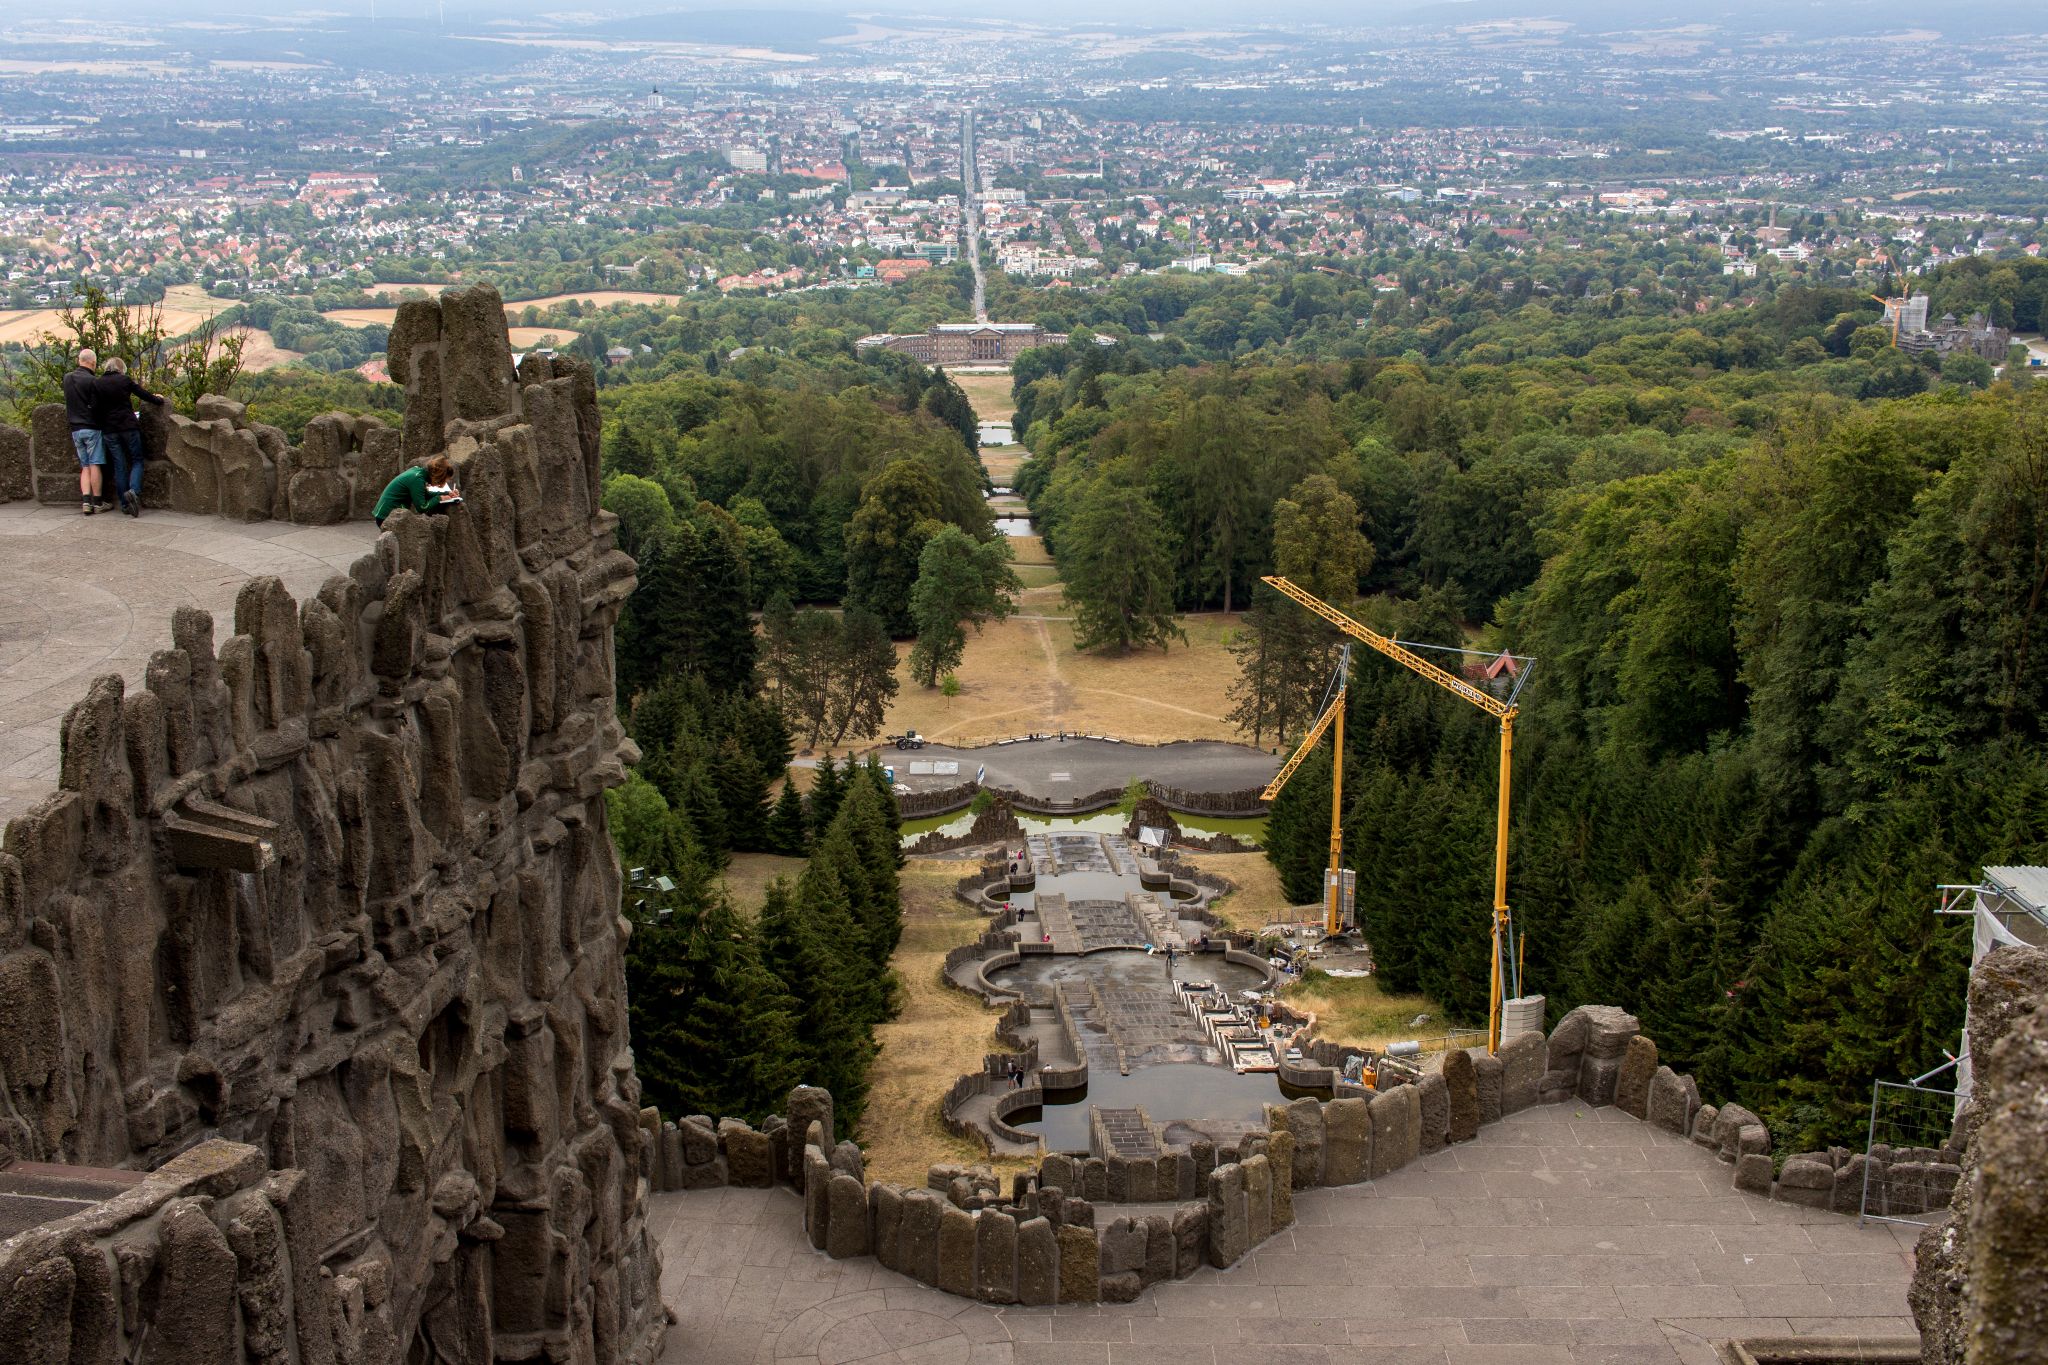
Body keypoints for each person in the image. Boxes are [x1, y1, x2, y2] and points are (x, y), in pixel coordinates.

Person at [92, 357, 165, 518]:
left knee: (119, 465)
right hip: (128, 426)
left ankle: (125, 504)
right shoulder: (124, 380)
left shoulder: (97, 384)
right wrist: (158, 400)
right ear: (121, 369)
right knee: (137, 460)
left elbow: (95, 408)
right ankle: (134, 491)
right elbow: (143, 394)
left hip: (110, 430)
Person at [61, 349, 104, 515]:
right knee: (95, 464)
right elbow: (97, 406)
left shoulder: (67, 378)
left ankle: (86, 501)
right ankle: (98, 502)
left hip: (75, 429)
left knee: (85, 466)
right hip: (92, 427)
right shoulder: (93, 381)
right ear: (93, 363)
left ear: (79, 361)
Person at [372, 454, 459, 527]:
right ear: (437, 477)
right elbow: (422, 507)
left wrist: (447, 493)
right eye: (443, 481)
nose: (442, 484)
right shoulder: (417, 479)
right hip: (387, 516)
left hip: (385, 513)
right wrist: (439, 498)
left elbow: (424, 494)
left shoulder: (418, 472)